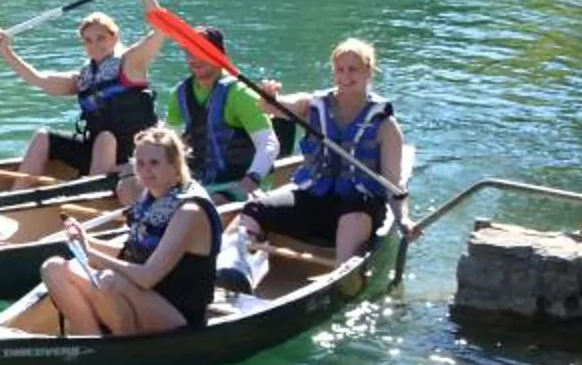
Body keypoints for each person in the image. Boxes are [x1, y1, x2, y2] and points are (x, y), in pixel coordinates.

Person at [235, 38, 407, 263]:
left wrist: (403, 219)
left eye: (353, 69)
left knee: (353, 209)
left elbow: (393, 185)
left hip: (358, 209)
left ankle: (339, 277)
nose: (345, 76)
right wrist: (270, 97)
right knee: (254, 208)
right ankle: (239, 265)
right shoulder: (312, 105)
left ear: (369, 71)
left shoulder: (386, 126)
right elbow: (275, 106)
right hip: (313, 199)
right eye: (340, 69)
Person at [39, 126, 220, 335]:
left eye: (154, 163)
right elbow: (128, 255)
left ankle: (121, 350)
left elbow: (147, 277)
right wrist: (84, 240)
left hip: (178, 314)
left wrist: (90, 253)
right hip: (142, 295)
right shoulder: (151, 196)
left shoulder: (189, 211)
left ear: (175, 165)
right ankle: (90, 342)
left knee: (111, 282)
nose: (146, 171)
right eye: (140, 164)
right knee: (54, 268)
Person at [0, 0, 163, 178]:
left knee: (105, 138)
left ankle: (96, 195)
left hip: (137, 153)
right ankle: (17, 197)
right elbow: (39, 80)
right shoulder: (83, 77)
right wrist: (5, 51)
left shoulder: (130, 63)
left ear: (115, 38)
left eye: (101, 38)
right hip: (96, 152)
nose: (94, 45)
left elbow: (160, 31)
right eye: (88, 41)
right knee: (43, 137)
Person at [171, 25, 278, 191]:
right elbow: (168, 143)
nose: (194, 58)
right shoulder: (180, 93)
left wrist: (252, 179)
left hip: (238, 184)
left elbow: (269, 144)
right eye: (189, 52)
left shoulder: (240, 94)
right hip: (199, 183)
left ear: (219, 54)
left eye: (201, 51)